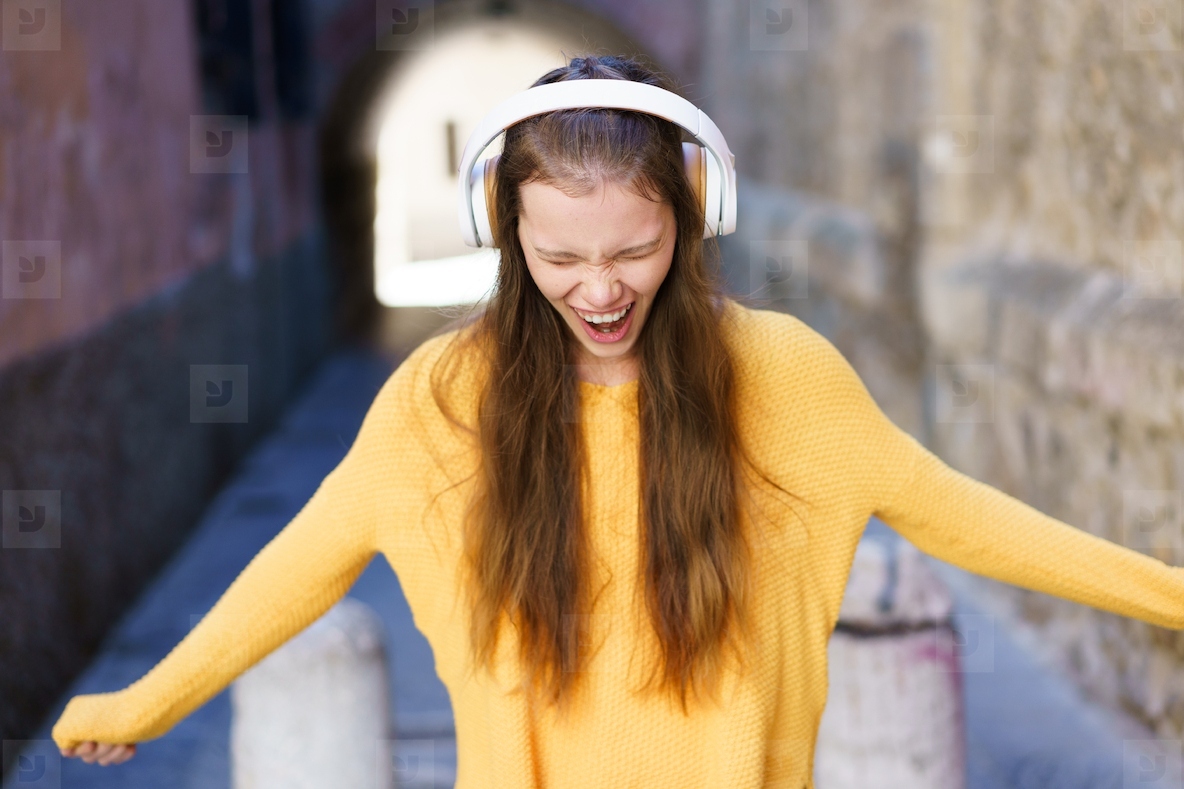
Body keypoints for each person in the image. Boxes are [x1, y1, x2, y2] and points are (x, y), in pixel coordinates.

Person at [53, 54, 1184, 786]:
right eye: (559, 257)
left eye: (633, 251)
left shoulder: (782, 376)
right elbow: (297, 564)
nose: (598, 289)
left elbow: (962, 517)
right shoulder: (442, 402)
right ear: (506, 240)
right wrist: (151, 698)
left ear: (692, 222)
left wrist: (1168, 597)